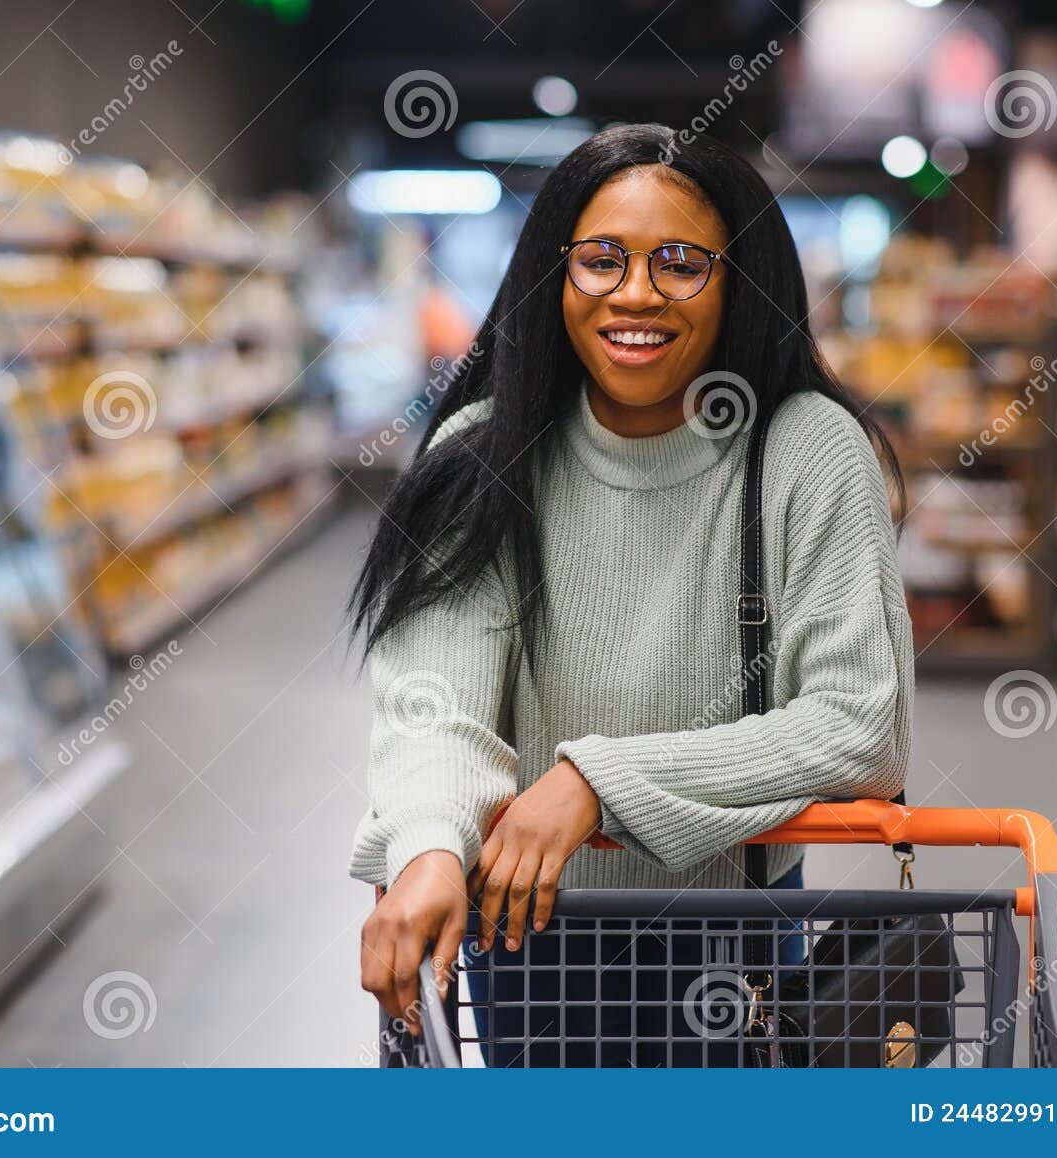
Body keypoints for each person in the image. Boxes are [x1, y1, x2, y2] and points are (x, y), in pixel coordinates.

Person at [349, 123, 913, 1066]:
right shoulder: (487, 455)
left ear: (740, 278)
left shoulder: (804, 449)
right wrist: (429, 847)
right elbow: (433, 704)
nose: (636, 294)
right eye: (601, 260)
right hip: (528, 931)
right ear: (554, 275)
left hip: (733, 932)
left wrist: (599, 784)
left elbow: (862, 726)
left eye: (682, 263)